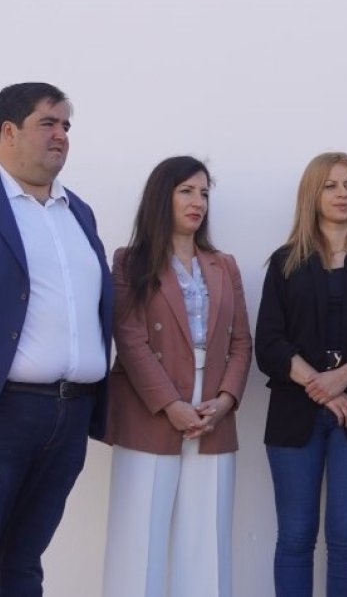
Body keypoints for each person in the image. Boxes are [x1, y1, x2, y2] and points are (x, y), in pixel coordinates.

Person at [0, 82, 113, 595]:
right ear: (9, 131)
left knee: (22, 564)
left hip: (68, 416)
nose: (61, 134)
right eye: (48, 123)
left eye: (66, 125)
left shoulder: (77, 211)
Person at [101, 156, 253, 597]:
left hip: (213, 410)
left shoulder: (224, 265)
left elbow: (242, 342)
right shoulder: (130, 261)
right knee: (138, 539)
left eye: (204, 193)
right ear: (160, 196)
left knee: (208, 542)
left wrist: (225, 401)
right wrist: (170, 404)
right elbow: (129, 339)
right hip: (151, 407)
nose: (198, 201)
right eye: (186, 191)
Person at [255, 152, 347, 597]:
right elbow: (269, 343)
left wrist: (345, 375)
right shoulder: (285, 262)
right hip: (293, 414)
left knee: (346, 537)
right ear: (312, 194)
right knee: (295, 536)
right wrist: (323, 387)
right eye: (331, 185)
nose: (343, 194)